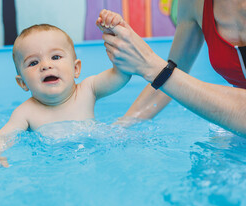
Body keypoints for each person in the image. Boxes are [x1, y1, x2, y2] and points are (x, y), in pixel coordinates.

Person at [0, 22, 131, 171]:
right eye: (33, 63)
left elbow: (120, 76)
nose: (46, 66)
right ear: (23, 83)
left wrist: (120, 48)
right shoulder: (26, 112)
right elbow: (0, 139)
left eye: (55, 57)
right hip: (50, 168)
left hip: (96, 159)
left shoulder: (88, 90)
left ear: (76, 68)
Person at [96, 4, 246, 137]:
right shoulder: (194, 4)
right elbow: (171, 77)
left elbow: (165, 74)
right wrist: (119, 128)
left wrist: (150, 64)